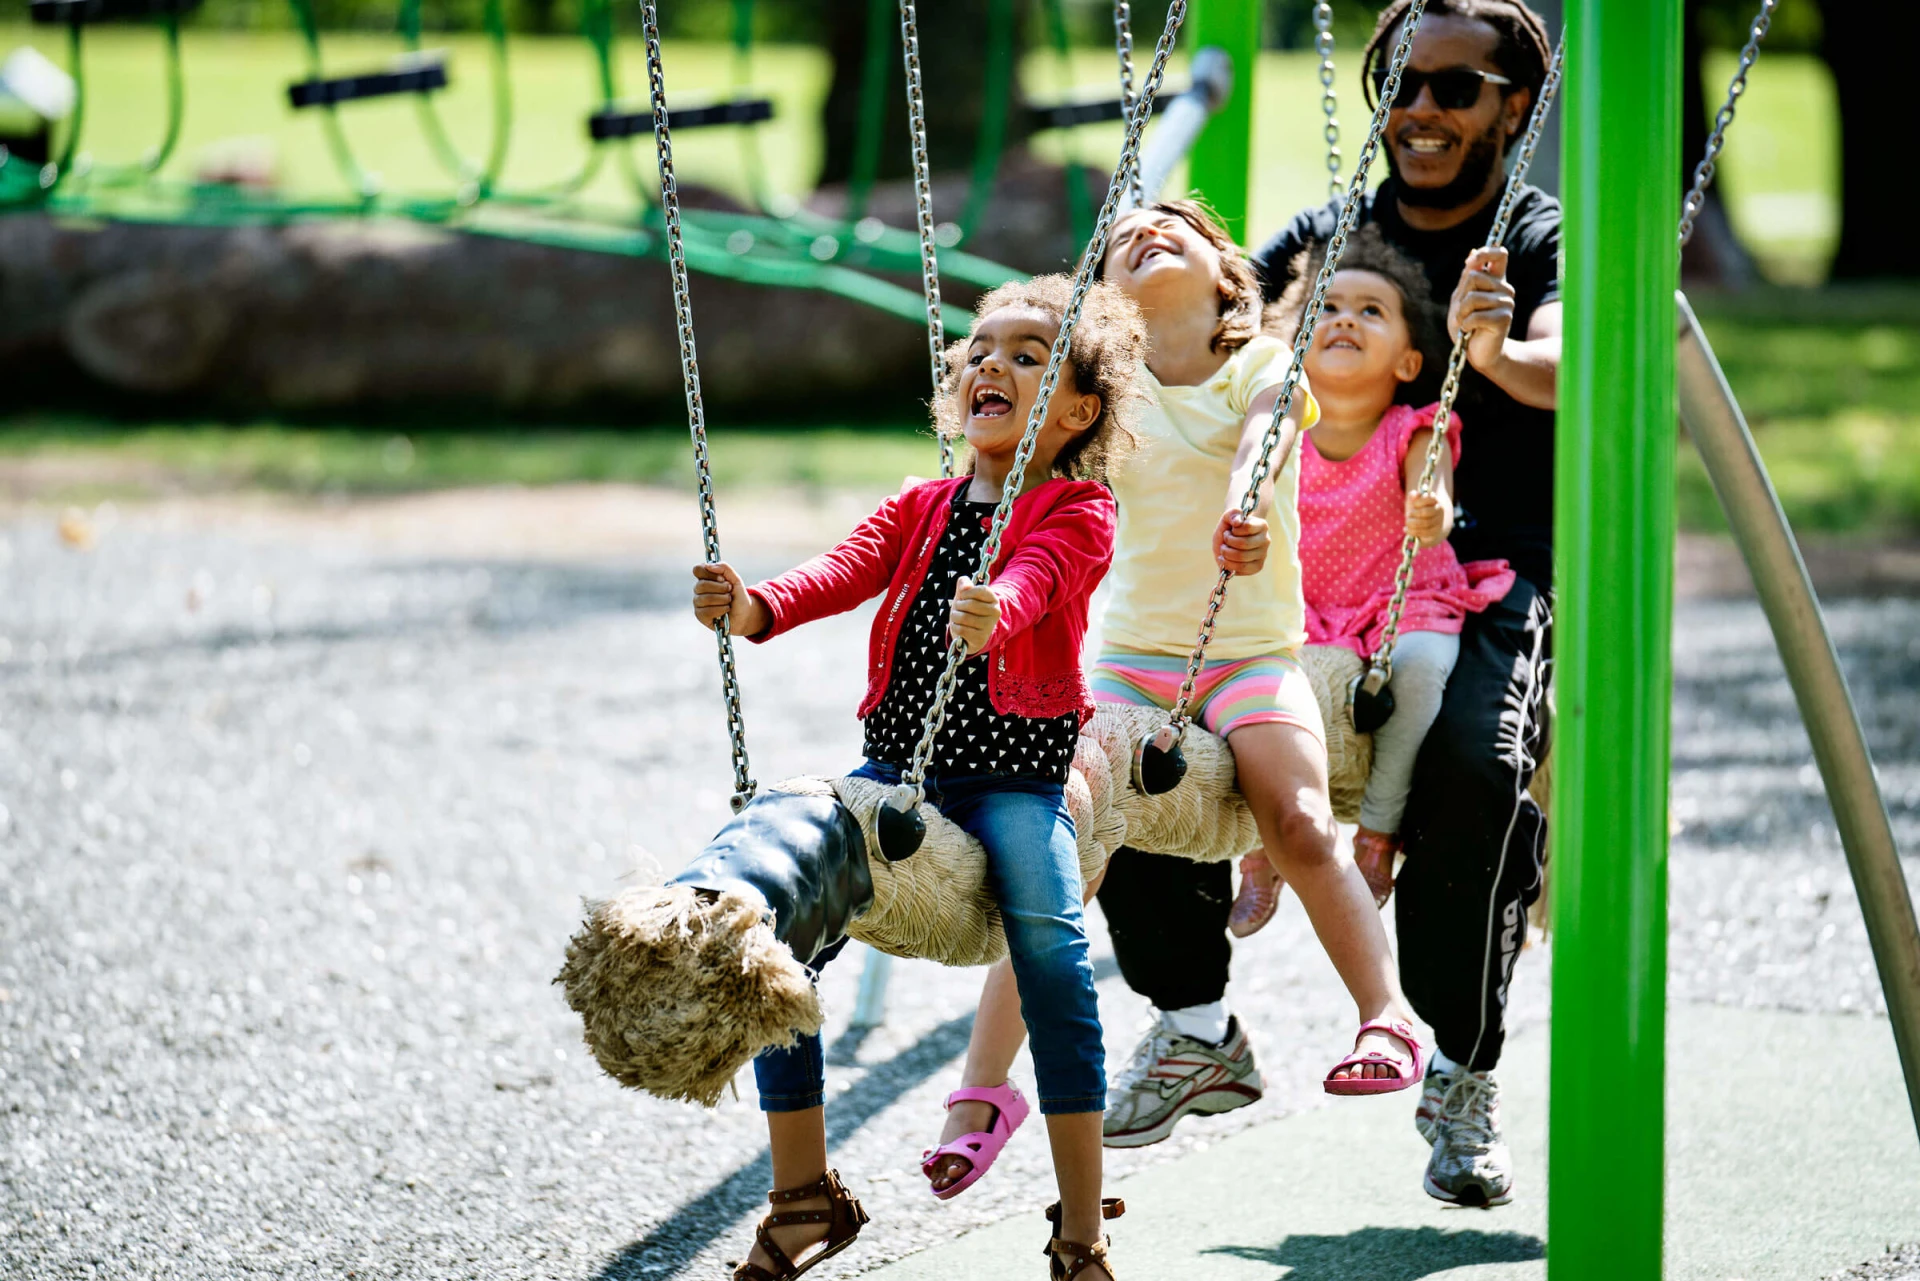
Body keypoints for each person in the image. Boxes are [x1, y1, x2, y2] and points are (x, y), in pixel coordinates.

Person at [1095, 0, 1560, 1210]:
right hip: (1300, 572)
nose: (1419, 108)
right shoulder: (1327, 235)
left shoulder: (1539, 239)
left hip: (1478, 569)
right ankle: (1195, 1020)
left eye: (1455, 88)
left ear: (1515, 105)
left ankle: (1457, 1069)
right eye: (1401, 80)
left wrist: (1496, 352)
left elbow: (1584, 363)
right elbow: (1202, 328)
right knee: (1136, 743)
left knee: (1474, 771)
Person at [922, 199, 1425, 1201]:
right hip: (1132, 666)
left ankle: (1386, 1013)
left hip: (1247, 658)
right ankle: (983, 1088)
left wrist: (1248, 499)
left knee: (1296, 817)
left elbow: (1266, 440)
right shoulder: (1113, 396)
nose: (1148, 233)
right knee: (1058, 843)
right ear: (1108, 297)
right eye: (1124, 238)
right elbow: (1032, 457)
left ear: (1226, 276)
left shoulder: (1261, 368)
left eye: (1175, 228)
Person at [692, 276, 1146, 1281]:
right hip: (899, 771)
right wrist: (754, 607)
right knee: (780, 937)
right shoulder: (923, 505)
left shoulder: (1079, 507)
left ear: (1076, 410)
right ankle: (803, 1193)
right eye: (981, 350)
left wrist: (1004, 608)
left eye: (1030, 355)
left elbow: (1047, 575)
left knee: (1052, 953)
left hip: (1016, 785)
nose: (994, 364)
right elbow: (840, 571)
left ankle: (1081, 1226)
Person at [1276, 225, 1515, 905]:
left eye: (1370, 311)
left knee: (1420, 671)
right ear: (1295, 342)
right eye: (1326, 307)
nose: (1345, 317)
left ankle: (1379, 829)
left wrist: (1432, 506)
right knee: (1260, 681)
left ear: (1408, 363)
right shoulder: (1278, 428)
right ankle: (1267, 835)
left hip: (1401, 603)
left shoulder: (1414, 427)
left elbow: (1432, 479)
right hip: (1310, 606)